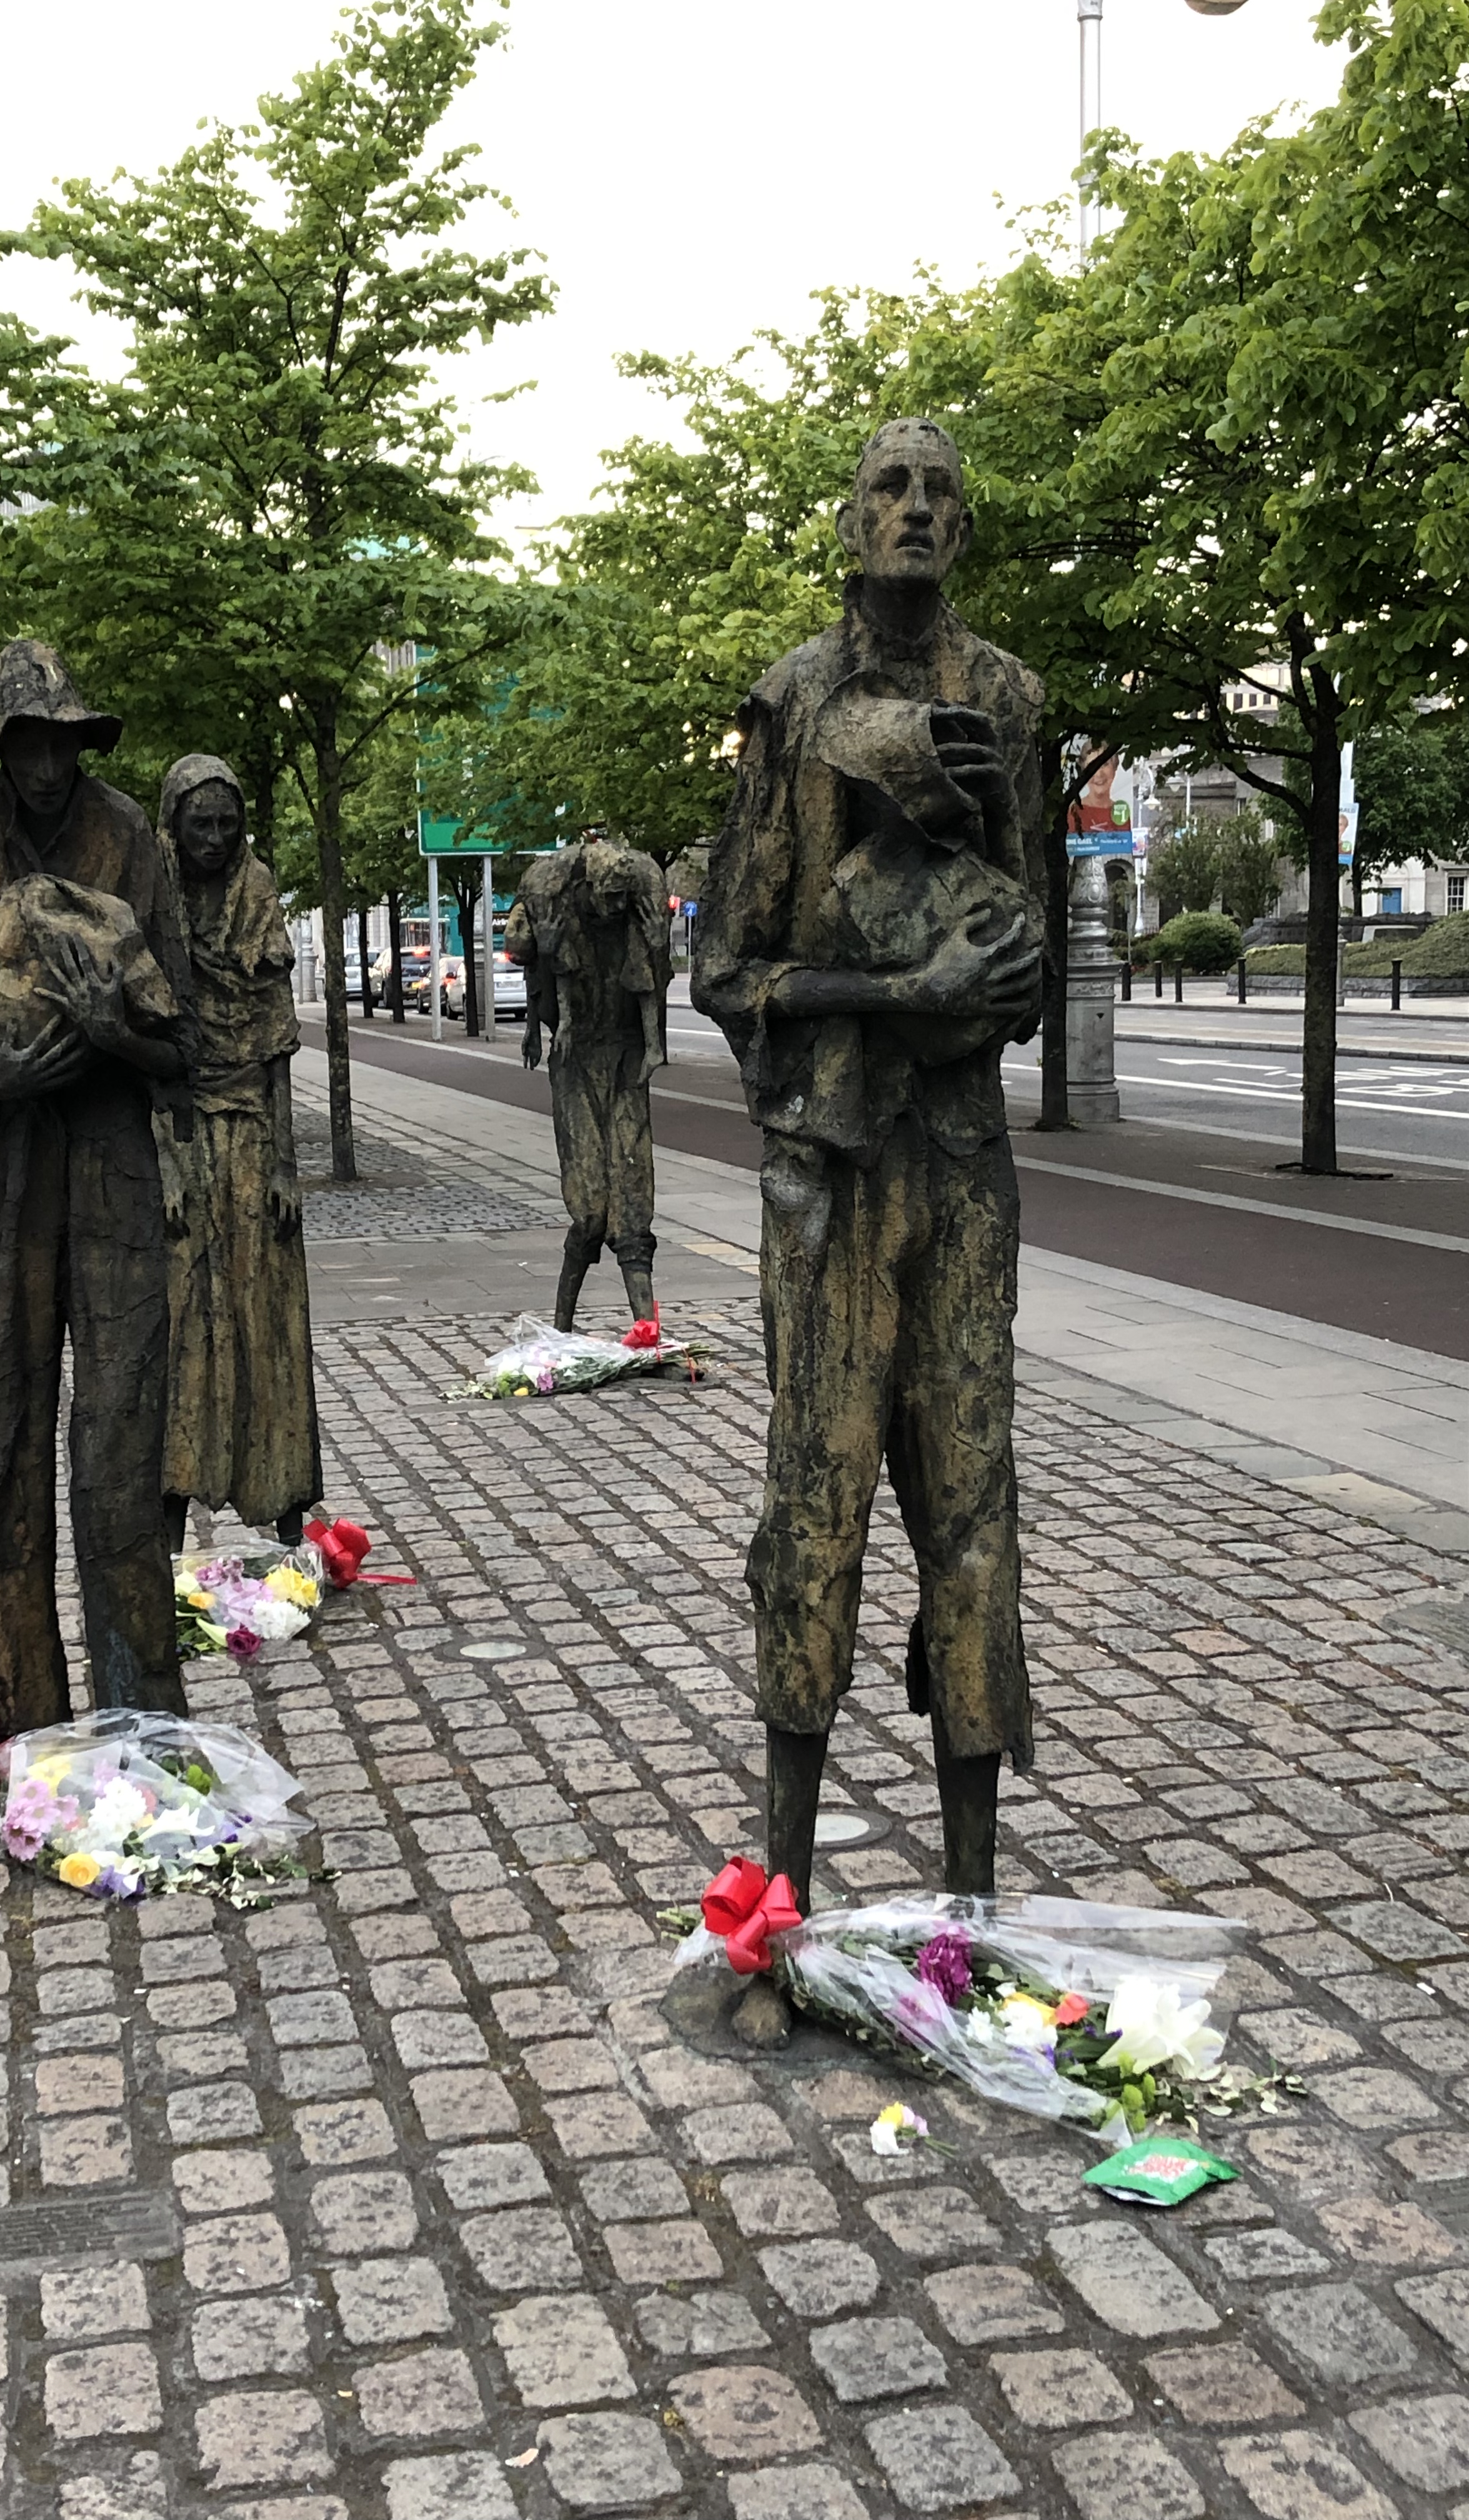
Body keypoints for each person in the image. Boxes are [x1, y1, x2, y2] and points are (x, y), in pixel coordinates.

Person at [693, 417, 1045, 2043]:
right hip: (831, 1177)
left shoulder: (1010, 703)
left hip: (963, 1169)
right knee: (814, 1510)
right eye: (889, 489)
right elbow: (730, 971)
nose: (914, 510)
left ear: (961, 529)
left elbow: (1028, 951)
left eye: (939, 492)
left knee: (974, 1519)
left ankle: (971, 1920)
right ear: (851, 522)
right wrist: (901, 991)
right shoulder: (792, 702)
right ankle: (779, 1917)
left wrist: (998, 987)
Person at [0, 640, 195, 1734]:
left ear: (80, 744)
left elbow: (184, 1047)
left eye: (58, 747)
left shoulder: (129, 836)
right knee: (1, 1442)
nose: (42, 768)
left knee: (121, 1446)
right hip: (1, 1173)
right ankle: (18, 1708)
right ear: (0, 747)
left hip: (113, 1168)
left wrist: (113, 1032)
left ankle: (141, 1712)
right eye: (24, 747)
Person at [156, 755, 321, 1550]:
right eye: (201, 824)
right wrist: (166, 1161)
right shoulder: (154, 897)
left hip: (253, 1131)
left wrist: (286, 1163)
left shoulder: (257, 895)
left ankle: (283, 1497)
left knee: (268, 1315)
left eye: (227, 823)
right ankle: (173, 1498)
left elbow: (277, 1043)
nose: (215, 838)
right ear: (174, 824)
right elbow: (147, 1045)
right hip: (181, 1129)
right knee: (184, 1319)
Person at [507, 831, 669, 1330]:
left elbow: (650, 981)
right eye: (609, 897)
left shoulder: (635, 917)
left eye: (623, 898)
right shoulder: (557, 907)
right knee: (590, 1209)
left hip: (625, 1058)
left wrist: (660, 947)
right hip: (576, 1061)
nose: (617, 907)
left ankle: (647, 1329)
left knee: (634, 1197)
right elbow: (529, 959)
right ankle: (562, 1326)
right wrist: (537, 1020)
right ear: (589, 888)